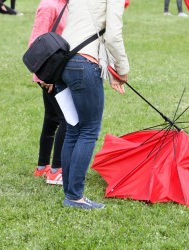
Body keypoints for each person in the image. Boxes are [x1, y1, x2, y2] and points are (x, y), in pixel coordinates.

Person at [55, 0, 130, 209]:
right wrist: (122, 69)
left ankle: (70, 193)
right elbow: (113, 36)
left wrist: (111, 70)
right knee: (88, 130)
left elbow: (88, 30)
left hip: (63, 62)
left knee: (74, 129)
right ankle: (74, 196)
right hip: (83, 63)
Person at [29, 0, 68, 185]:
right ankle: (55, 171)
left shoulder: (68, 4)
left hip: (57, 72)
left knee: (52, 119)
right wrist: (46, 76)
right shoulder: (49, 5)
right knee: (66, 119)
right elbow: (37, 41)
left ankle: (42, 166)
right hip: (48, 74)